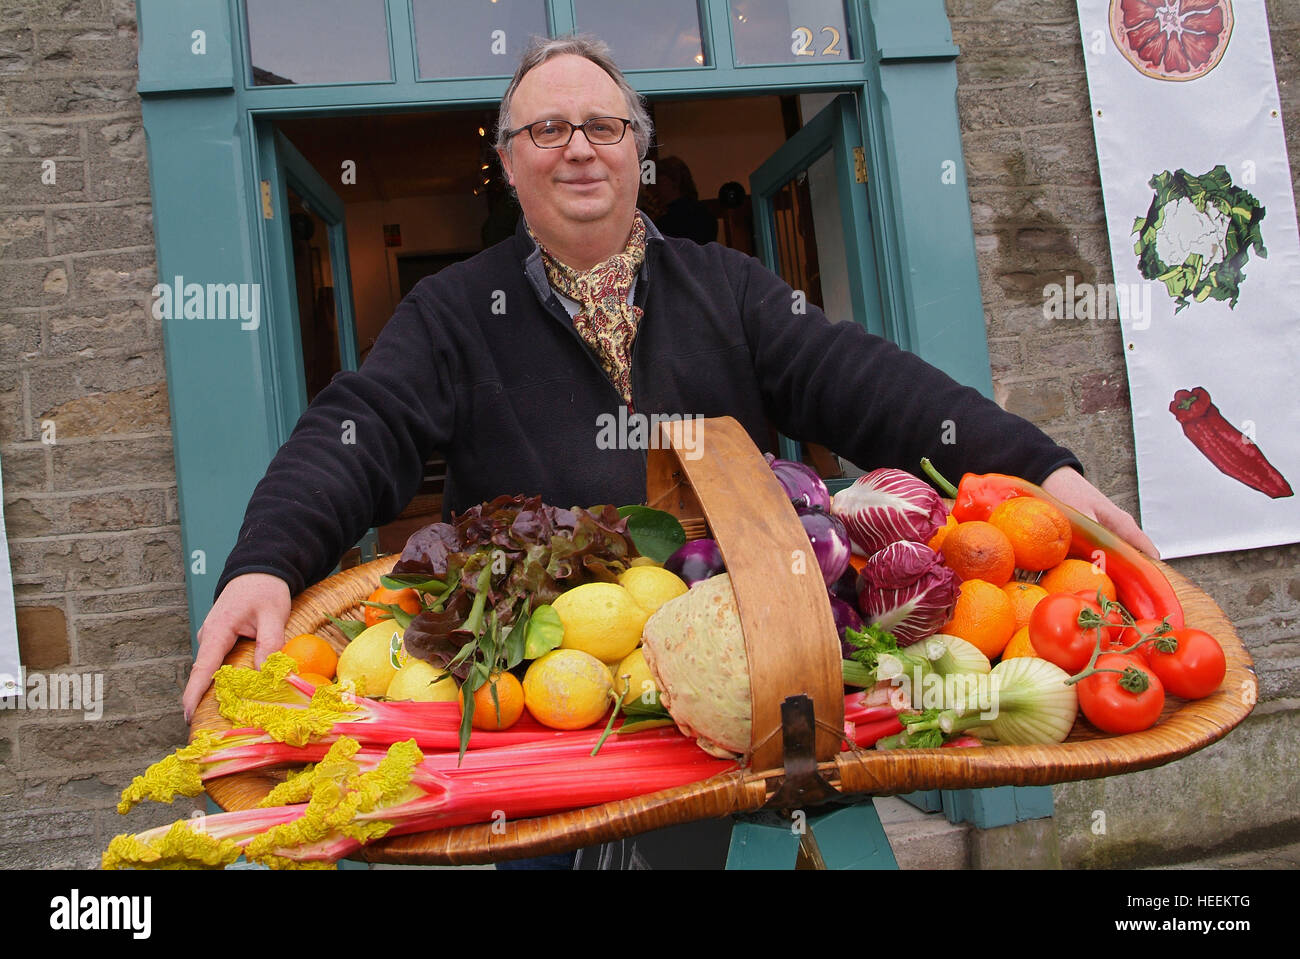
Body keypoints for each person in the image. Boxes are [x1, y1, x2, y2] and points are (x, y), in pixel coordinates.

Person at [183, 35, 1156, 751]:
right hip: (550, 710)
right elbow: (360, 424)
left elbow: (873, 383)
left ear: (636, 154)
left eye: (603, 125)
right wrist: (266, 560)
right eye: (547, 127)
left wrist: (1038, 468)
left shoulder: (726, 286)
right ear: (511, 159)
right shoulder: (450, 310)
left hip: (733, 691)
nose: (578, 146)